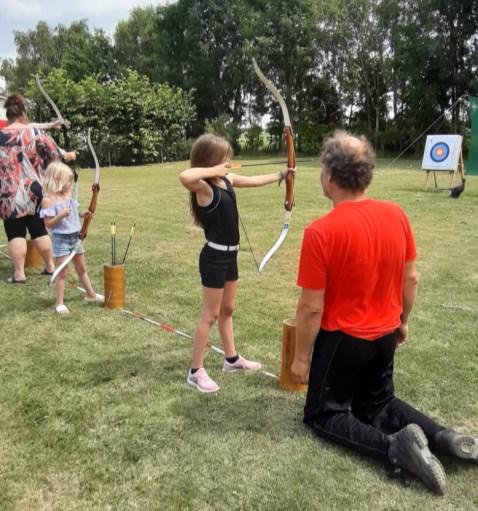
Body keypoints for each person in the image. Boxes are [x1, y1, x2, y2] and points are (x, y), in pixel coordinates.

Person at [291, 130, 477, 495]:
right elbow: (411, 279)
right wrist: (403, 322)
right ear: (367, 174)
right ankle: (446, 436)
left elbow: (312, 306)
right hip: (384, 337)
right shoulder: (396, 215)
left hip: (344, 340)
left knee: (324, 414)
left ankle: (394, 448)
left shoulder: (320, 232)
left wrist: (300, 359)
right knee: (379, 404)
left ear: (328, 176)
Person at [179, 133, 295, 393]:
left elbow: (252, 180)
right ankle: (195, 371)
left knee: (228, 309)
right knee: (210, 315)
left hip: (230, 256)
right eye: (224, 159)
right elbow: (185, 177)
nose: (229, 163)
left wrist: (281, 176)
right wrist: (212, 170)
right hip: (214, 257)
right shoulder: (204, 188)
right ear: (211, 161)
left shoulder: (226, 180)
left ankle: (231, 359)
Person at [0, 94, 76, 283]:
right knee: (39, 230)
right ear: (24, 113)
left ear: (8, 115)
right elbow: (56, 155)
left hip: (9, 194)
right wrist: (69, 155)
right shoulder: (34, 133)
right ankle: (50, 266)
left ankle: (19, 274)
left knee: (15, 233)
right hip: (35, 192)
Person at [40, 161, 103, 314]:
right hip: (61, 239)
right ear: (56, 179)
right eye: (68, 180)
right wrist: (60, 216)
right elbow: (48, 224)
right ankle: (59, 303)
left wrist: (83, 214)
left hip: (76, 237)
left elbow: (74, 212)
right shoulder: (48, 200)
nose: (71, 184)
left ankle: (90, 294)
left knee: (81, 268)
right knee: (62, 271)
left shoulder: (68, 195)